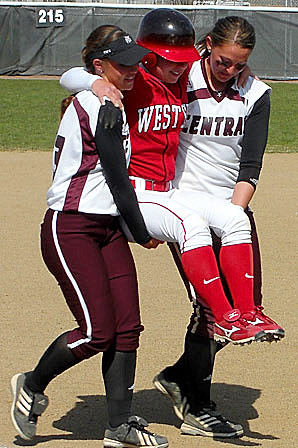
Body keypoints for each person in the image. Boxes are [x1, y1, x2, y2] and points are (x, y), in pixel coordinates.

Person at [60, 8, 284, 438]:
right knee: (210, 307)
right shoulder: (179, 74)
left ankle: (182, 375)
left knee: (244, 301)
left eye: (238, 63)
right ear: (207, 50)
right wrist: (96, 81)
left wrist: (233, 213)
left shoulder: (250, 91)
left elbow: (250, 164)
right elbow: (83, 74)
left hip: (222, 203)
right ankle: (197, 401)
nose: (229, 70)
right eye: (222, 61)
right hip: (173, 200)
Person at [10, 25, 169, 448]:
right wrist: (141, 231)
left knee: (127, 328)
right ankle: (31, 383)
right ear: (100, 66)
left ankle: (119, 425)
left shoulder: (107, 95)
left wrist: (99, 79)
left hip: (106, 228)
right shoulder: (98, 105)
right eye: (122, 64)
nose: (133, 69)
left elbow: (80, 76)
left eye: (135, 61)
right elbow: (118, 178)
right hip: (72, 226)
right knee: (96, 332)